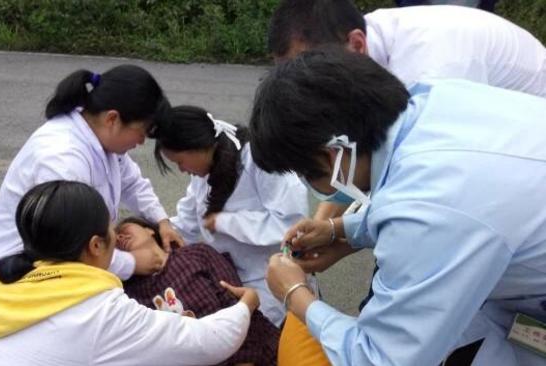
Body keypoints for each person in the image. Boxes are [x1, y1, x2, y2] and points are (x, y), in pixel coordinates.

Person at [249, 47, 546, 365]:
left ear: (330, 157)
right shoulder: (435, 98)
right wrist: (338, 229)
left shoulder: (425, 209)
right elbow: (416, 197)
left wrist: (294, 294)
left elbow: (382, 357)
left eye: (304, 174)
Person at [268, 0, 546, 221]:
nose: (302, 90)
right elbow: (356, 165)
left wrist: (300, 285)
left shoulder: (428, 73)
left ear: (356, 44)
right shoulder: (360, 42)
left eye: (311, 75)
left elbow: (427, 192)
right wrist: (326, 225)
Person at [0, 181, 258, 366]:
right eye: (114, 234)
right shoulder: (101, 311)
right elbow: (207, 342)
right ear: (96, 246)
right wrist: (246, 305)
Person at [0, 65, 184, 282]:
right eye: (141, 132)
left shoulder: (102, 139)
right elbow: (74, 247)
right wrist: (133, 263)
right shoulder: (62, 158)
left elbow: (132, 183)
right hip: (22, 275)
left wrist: (162, 221)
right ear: (112, 119)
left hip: (67, 262)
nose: (141, 141)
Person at [150, 105, 309, 326]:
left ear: (198, 146)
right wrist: (155, 232)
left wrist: (227, 222)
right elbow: (185, 226)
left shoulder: (259, 159)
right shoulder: (202, 174)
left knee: (260, 339)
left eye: (179, 161)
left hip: (272, 276)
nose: (182, 170)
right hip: (229, 275)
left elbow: (292, 223)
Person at [118, 217, 279, 366]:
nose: (119, 238)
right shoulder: (129, 298)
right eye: (114, 244)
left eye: (123, 229)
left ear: (149, 230)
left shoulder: (197, 254)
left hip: (261, 352)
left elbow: (239, 304)